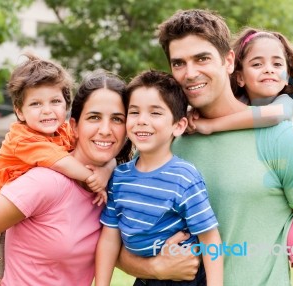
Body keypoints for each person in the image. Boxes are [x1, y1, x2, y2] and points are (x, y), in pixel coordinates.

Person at [116, 9, 293, 286]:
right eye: (179, 63)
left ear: (229, 61)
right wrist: (155, 267)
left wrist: (266, 252)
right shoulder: (165, 136)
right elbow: (119, 242)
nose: (190, 73)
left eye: (202, 58)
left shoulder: (283, 139)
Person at [0, 69, 132, 285]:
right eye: (94, 117)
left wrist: (106, 170)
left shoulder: (114, 186)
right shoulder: (44, 182)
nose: (105, 130)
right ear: (74, 126)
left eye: (117, 119)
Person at [187, 27, 293, 285]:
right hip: (251, 214)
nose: (268, 69)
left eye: (277, 63)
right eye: (257, 63)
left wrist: (210, 125)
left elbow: (266, 117)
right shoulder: (236, 106)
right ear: (239, 77)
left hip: (288, 205)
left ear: (287, 75)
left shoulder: (283, 104)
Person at [95, 70, 223, 286]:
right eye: (134, 112)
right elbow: (109, 238)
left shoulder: (184, 177)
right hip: (145, 279)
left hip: (185, 280)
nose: (142, 121)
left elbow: (210, 239)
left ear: (179, 125)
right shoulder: (119, 177)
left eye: (155, 113)